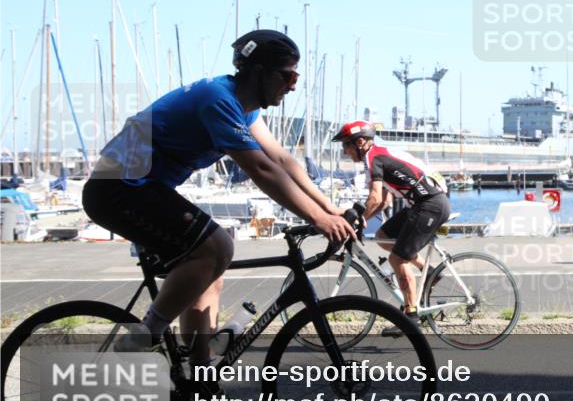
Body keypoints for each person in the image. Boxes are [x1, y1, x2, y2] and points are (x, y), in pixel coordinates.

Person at [82, 29, 356, 362]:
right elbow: (261, 170)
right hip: (118, 187)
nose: (293, 85)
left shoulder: (245, 107)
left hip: (140, 186)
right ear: (258, 71)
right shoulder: (218, 99)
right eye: (288, 75)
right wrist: (317, 219)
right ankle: (144, 336)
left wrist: (328, 208)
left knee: (210, 271)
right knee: (217, 248)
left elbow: (281, 159)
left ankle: (198, 379)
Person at [333, 120, 450, 332]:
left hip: (430, 205)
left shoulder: (373, 158)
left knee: (397, 258)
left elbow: (375, 198)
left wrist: (357, 220)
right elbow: (385, 202)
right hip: (422, 204)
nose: (345, 152)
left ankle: (410, 316)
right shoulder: (379, 155)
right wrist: (365, 218)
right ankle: (429, 271)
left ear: (360, 142)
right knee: (382, 235)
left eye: (345, 146)